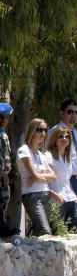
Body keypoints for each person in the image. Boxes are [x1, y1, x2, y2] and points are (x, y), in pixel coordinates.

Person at [17, 118, 56, 236]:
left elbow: (53, 176)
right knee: (45, 231)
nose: (43, 133)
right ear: (32, 131)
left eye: (45, 130)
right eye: (39, 130)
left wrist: (37, 177)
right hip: (32, 196)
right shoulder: (24, 150)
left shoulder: (41, 154)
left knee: (40, 231)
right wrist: (37, 177)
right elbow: (36, 176)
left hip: (46, 195)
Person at [46, 125, 77, 234]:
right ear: (55, 139)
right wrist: (54, 194)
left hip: (70, 199)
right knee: (57, 234)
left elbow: (66, 181)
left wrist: (74, 194)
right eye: (61, 136)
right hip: (56, 201)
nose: (64, 139)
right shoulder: (48, 156)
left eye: (67, 136)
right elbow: (44, 182)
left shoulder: (68, 158)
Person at [56, 100, 77, 215]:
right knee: (68, 218)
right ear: (62, 113)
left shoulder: (75, 132)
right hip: (64, 181)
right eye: (70, 112)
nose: (74, 115)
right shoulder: (56, 131)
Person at [0, 103, 22, 240]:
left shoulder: (3, 134)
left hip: (4, 176)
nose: (3, 120)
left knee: (3, 201)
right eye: (0, 117)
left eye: (5, 117)